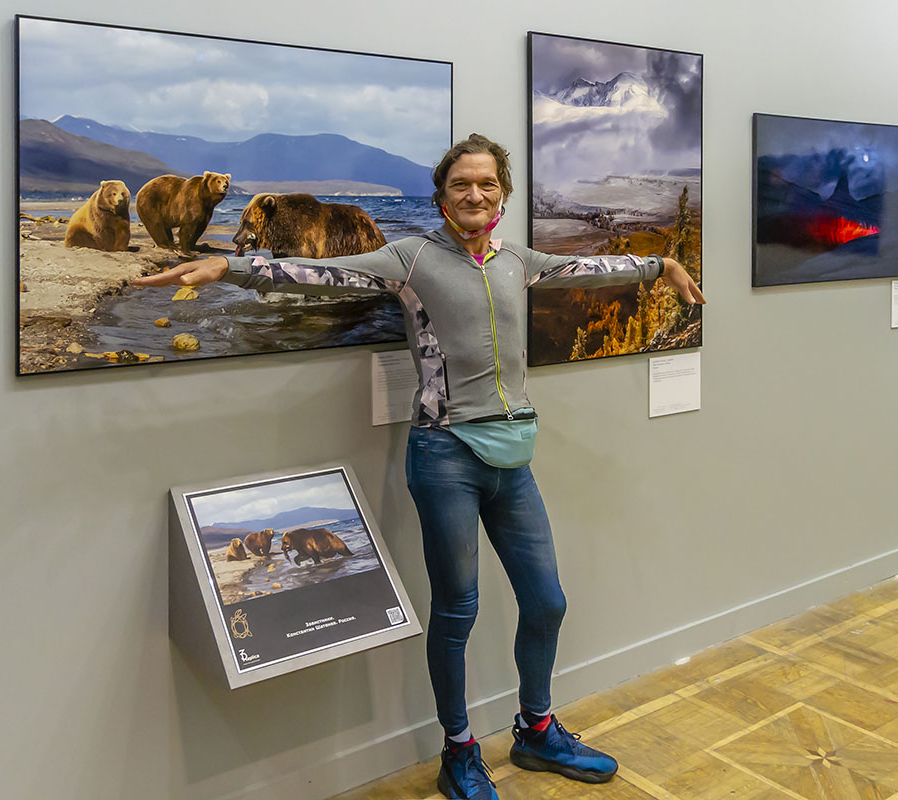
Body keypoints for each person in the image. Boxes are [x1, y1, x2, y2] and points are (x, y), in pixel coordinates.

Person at [137, 134, 705, 800]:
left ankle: (536, 728)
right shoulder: (410, 258)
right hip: (445, 456)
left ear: (503, 194)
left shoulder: (515, 259)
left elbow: (582, 271)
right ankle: (459, 749)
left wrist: (659, 266)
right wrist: (229, 270)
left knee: (547, 601)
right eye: (462, 183)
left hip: (512, 455)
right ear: (441, 195)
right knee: (457, 610)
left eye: (488, 184)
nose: (475, 194)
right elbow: (316, 274)